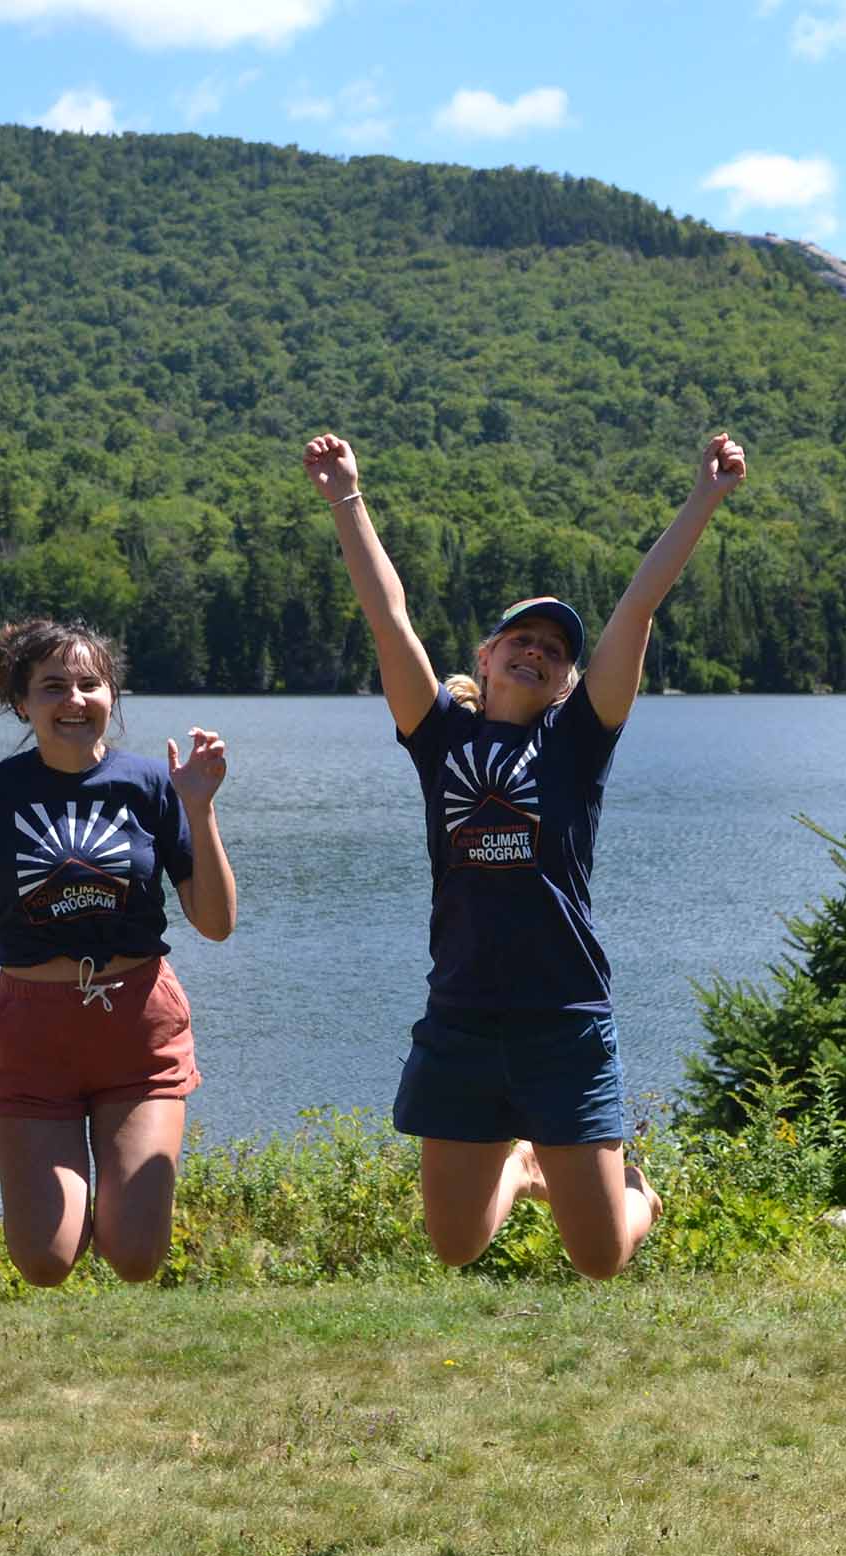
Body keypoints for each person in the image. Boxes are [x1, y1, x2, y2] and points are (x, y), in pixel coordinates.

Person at [303, 429, 745, 1278]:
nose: (538, 650)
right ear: (486, 657)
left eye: (556, 649)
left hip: (563, 1020)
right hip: (462, 1017)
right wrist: (345, 499)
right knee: (454, 1244)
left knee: (601, 1256)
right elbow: (388, 617)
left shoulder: (577, 745)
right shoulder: (439, 737)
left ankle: (639, 1195)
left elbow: (635, 611)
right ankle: (517, 1159)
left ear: (571, 682)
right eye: (522, 639)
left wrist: (703, 499)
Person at [0, 620, 233, 1286]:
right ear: (23, 702)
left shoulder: (153, 785)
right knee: (43, 1261)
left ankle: (112, 1204)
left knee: (136, 1255)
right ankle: (73, 1197)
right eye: (53, 686)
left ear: (112, 695)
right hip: (33, 1033)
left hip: (139, 1027)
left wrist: (201, 810)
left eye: (91, 683)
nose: (74, 700)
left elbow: (217, 922)